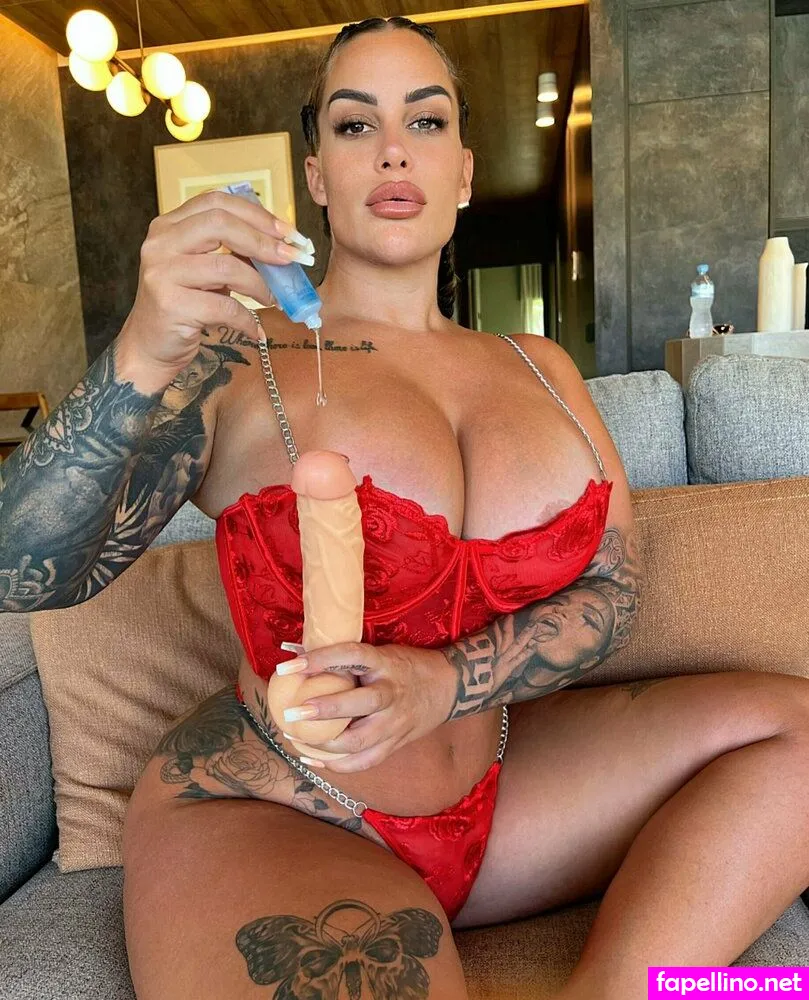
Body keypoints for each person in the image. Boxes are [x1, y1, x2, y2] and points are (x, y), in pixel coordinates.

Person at [2, 15, 808, 1000]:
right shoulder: (231, 358)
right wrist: (137, 351)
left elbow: (612, 589)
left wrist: (442, 684)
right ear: (316, 175)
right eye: (355, 124)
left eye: (424, 122)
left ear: (462, 172)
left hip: (507, 788)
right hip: (283, 809)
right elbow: (24, 571)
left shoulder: (541, 368)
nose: (392, 149)